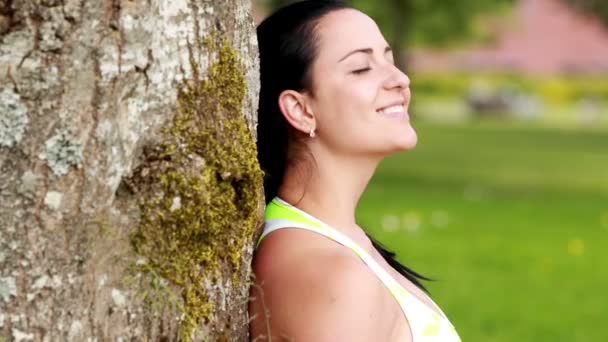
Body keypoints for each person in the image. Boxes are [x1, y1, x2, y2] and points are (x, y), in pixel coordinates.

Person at [249, 1, 461, 341]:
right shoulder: (328, 274)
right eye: (361, 68)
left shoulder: (334, 242)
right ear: (300, 110)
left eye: (388, 60)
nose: (400, 79)